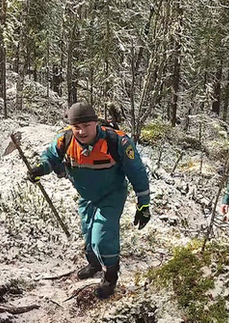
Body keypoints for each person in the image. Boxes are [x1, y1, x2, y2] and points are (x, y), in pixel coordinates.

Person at [27, 101, 151, 299]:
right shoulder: (65, 139)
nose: (82, 131)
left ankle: (110, 276)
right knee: (88, 232)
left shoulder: (116, 141)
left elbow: (137, 172)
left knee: (102, 237)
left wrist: (143, 203)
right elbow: (51, 157)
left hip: (112, 194)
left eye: (86, 125)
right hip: (86, 196)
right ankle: (94, 264)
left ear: (96, 123)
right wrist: (40, 169)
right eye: (76, 126)